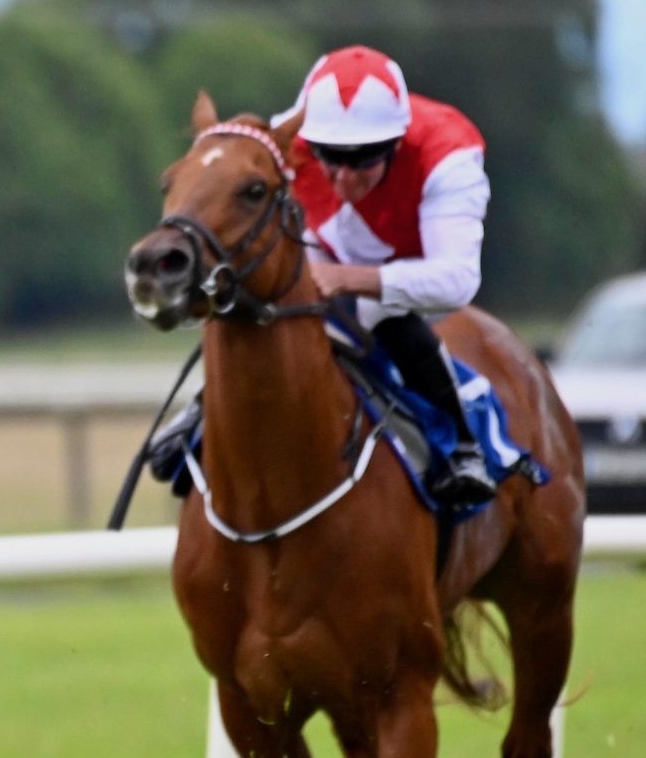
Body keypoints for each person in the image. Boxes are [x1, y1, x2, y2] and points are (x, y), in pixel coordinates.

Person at [151, 46, 498, 507]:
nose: (344, 178)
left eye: (363, 161)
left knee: (381, 314)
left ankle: (462, 445)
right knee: (262, 300)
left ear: (396, 143)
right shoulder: (290, 136)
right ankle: (202, 410)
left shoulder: (449, 155)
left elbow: (455, 281)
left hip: (409, 265)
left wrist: (348, 279)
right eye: (330, 157)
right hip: (322, 243)